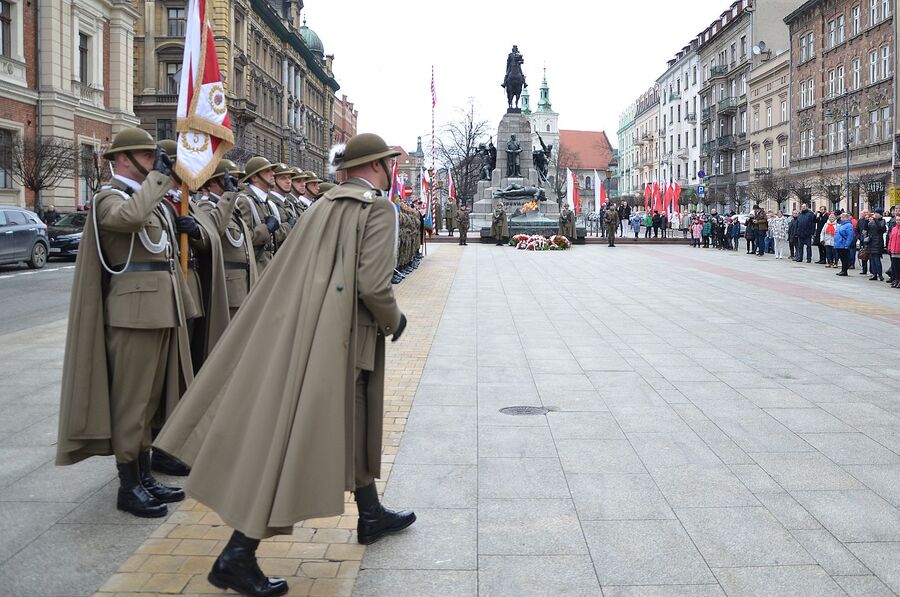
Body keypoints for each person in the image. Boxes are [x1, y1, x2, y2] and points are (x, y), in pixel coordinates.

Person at [154, 133, 416, 597]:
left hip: (310, 337)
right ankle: (238, 552)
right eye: (389, 164)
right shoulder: (375, 208)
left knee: (347, 428)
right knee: (295, 442)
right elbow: (374, 286)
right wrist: (394, 319)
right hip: (343, 343)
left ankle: (370, 512)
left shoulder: (323, 205)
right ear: (378, 167)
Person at [56, 128, 192, 518]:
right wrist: (158, 179)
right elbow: (129, 220)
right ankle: (128, 484)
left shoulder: (149, 198)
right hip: (133, 315)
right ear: (122, 160)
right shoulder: (109, 198)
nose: (155, 163)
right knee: (131, 401)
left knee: (148, 401)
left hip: (158, 309)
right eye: (147, 157)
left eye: (154, 158)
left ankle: (144, 474)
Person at [197, 160, 258, 317]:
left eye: (236, 178)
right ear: (213, 181)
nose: (234, 182)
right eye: (229, 178)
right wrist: (228, 197)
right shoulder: (206, 207)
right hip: (228, 288)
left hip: (244, 283)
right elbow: (211, 232)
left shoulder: (231, 208)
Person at [239, 157, 282, 273]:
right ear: (254, 177)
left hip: (269, 265)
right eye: (267, 171)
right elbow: (242, 238)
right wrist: (266, 229)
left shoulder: (267, 202)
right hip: (255, 268)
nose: (273, 174)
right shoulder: (244, 201)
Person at [867, 207, 887, 281]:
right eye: (875, 213)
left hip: (878, 242)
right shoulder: (872, 221)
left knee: (877, 259)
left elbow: (881, 228)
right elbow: (868, 228)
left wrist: (875, 220)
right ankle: (874, 274)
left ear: (880, 214)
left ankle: (880, 274)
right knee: (872, 259)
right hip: (872, 242)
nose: (875, 214)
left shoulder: (882, 221)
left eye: (877, 213)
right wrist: (867, 221)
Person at [888, 206, 900, 287]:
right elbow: (891, 239)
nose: (898, 221)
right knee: (895, 267)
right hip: (893, 250)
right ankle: (896, 279)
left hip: (899, 250)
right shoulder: (894, 229)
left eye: (899, 220)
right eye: (897, 220)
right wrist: (889, 247)